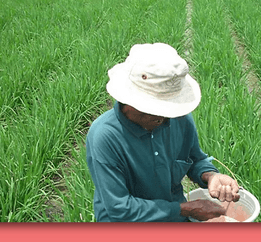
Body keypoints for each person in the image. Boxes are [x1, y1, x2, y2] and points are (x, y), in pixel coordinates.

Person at [86, 43, 240, 222]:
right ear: (132, 101)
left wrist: (211, 176)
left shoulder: (178, 119)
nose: (167, 119)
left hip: (174, 216)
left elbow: (194, 160)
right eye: (159, 111)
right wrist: (185, 209)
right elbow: (120, 209)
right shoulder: (104, 137)